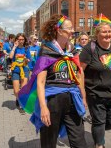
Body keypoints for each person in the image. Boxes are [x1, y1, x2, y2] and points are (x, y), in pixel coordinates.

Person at [18, 14, 87, 148]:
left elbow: (79, 75)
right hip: (53, 101)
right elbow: (41, 82)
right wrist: (43, 107)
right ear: (59, 30)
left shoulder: (73, 50)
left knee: (80, 142)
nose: (73, 30)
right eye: (70, 28)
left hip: (73, 98)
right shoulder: (47, 50)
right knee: (49, 142)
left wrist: (83, 97)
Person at [79, 22, 111, 148]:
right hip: (95, 93)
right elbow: (80, 71)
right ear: (97, 34)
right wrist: (82, 93)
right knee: (99, 121)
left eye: (110, 32)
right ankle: (99, 144)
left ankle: (97, 128)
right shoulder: (89, 49)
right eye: (104, 32)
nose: (108, 34)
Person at [9, 33, 31, 113]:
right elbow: (11, 57)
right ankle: (17, 98)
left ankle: (21, 104)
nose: (21, 41)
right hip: (15, 70)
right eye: (19, 39)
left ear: (24, 40)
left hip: (24, 70)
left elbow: (29, 59)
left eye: (22, 39)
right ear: (17, 40)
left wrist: (26, 59)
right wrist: (14, 47)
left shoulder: (26, 48)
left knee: (24, 89)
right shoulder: (14, 48)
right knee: (16, 91)